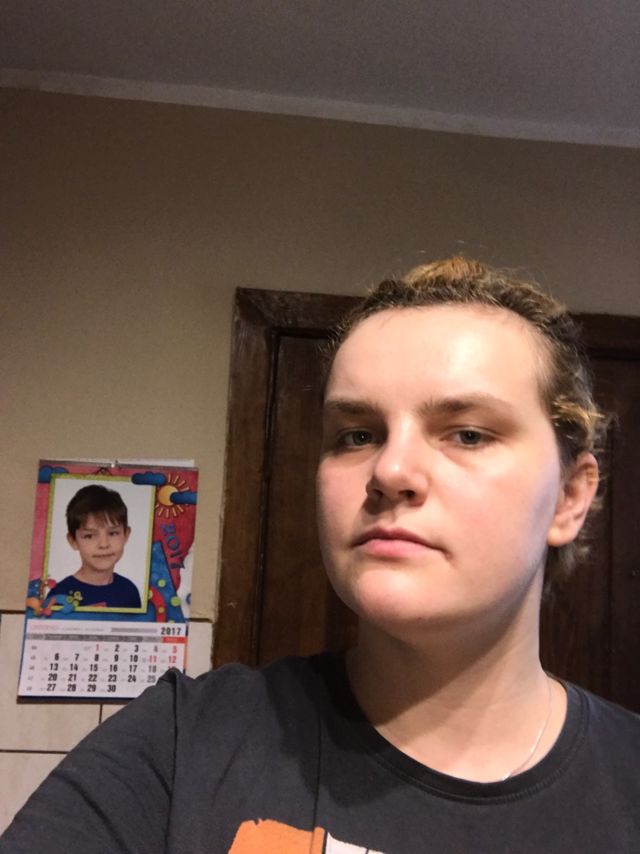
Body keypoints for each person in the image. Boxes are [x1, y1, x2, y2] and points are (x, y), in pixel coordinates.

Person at [2, 257, 639, 852]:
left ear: (569, 497)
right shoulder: (180, 743)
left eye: (468, 433)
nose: (389, 470)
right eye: (357, 435)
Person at [47, 484, 141, 609]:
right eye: (89, 536)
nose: (104, 544)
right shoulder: (59, 596)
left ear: (126, 535)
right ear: (73, 541)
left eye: (113, 533)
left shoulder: (129, 591)